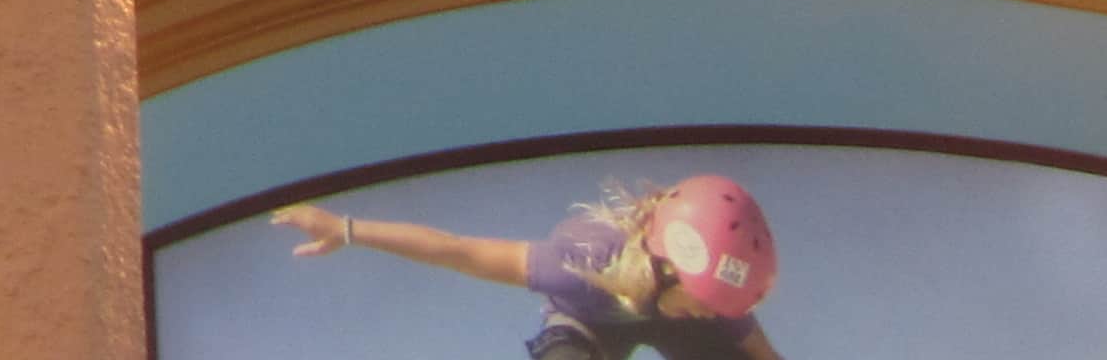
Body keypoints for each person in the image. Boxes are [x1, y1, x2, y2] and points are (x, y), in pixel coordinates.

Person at [271, 176, 786, 360]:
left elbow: (765, 355)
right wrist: (347, 228)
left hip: (651, 313)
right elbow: (459, 250)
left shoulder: (716, 298)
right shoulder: (580, 260)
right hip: (587, 327)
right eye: (704, 305)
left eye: (717, 309)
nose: (709, 314)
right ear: (670, 266)